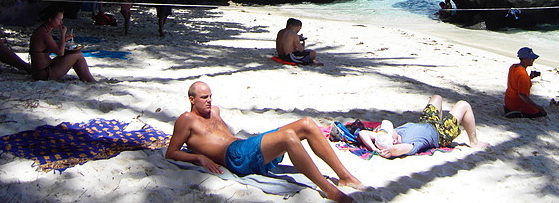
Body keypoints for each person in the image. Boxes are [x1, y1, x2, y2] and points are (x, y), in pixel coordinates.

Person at [166, 81, 364, 202]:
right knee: (288, 138)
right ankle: (330, 191)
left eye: (210, 96)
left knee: (307, 124)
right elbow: (171, 152)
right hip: (236, 158)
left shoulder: (215, 111)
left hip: (244, 148)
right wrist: (200, 157)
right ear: (192, 99)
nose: (209, 101)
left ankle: (345, 176)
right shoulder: (187, 120)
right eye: (203, 97)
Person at [356, 94, 488, 158]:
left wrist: (374, 148)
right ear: (394, 141)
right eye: (389, 132)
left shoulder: (388, 136)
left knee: (437, 98)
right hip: (441, 133)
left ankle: (441, 119)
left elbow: (363, 133)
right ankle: (474, 141)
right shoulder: (409, 144)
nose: (387, 130)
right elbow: (397, 150)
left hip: (427, 122)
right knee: (464, 105)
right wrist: (389, 151)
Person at [29, 5, 95, 82]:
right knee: (78, 55)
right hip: (44, 73)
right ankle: (90, 80)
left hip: (43, 70)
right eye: (59, 20)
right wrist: (63, 35)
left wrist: (64, 39)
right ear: (50, 19)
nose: (61, 22)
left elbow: (49, 50)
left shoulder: (42, 30)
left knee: (74, 54)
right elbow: (60, 53)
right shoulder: (44, 34)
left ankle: (86, 79)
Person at [504, 47, 547, 118]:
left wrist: (529, 78)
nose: (533, 60)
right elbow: (522, 95)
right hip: (516, 104)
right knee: (541, 113)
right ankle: (519, 114)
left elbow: (517, 82)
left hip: (508, 101)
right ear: (524, 59)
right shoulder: (523, 74)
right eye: (531, 58)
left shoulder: (513, 67)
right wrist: (538, 107)